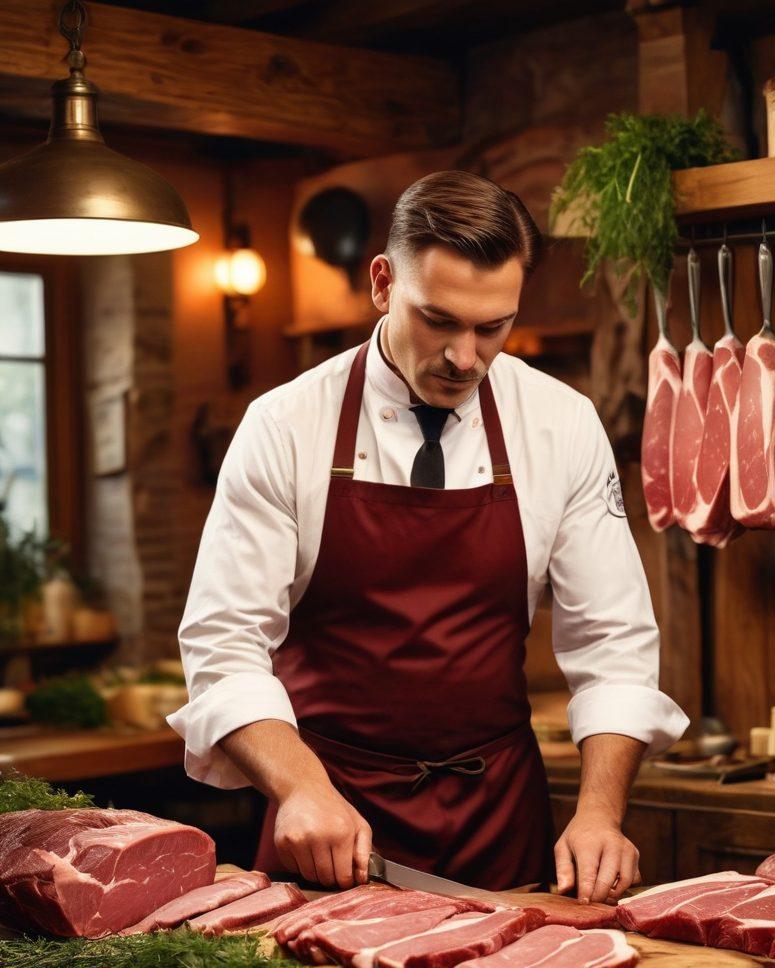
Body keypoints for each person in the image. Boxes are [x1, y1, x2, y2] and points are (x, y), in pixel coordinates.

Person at [168, 170, 687, 904]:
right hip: (329, 822)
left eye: (492, 327)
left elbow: (614, 648)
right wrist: (302, 791)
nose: (465, 357)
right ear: (382, 282)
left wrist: (601, 814)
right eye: (439, 320)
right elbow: (223, 649)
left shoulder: (560, 423)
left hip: (501, 813)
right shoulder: (285, 426)